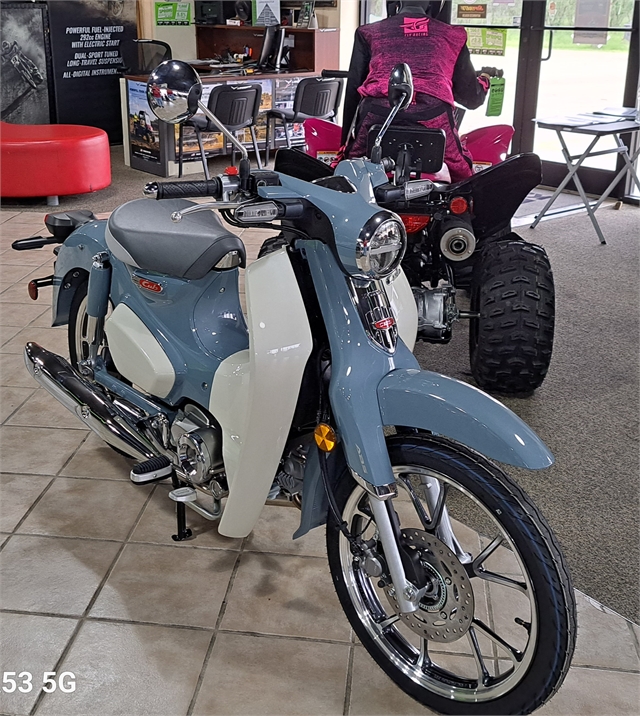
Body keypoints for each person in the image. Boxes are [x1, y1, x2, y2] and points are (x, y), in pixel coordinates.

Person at [340, 1, 499, 182]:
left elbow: (354, 90)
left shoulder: (369, 32)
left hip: (378, 113)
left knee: (348, 171)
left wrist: (343, 145)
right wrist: (484, 79)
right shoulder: (453, 35)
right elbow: (471, 99)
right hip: (434, 116)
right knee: (462, 176)